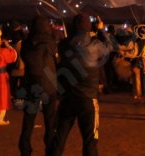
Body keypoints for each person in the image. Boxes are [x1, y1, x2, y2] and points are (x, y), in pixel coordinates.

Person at [49, 14, 117, 156]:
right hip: (88, 98)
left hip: (67, 98)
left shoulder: (64, 44)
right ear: (89, 26)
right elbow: (111, 47)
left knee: (59, 138)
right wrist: (101, 29)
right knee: (90, 141)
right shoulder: (95, 45)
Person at [18, 16, 59, 156]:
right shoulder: (51, 43)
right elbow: (58, 62)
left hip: (31, 84)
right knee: (50, 120)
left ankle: (25, 149)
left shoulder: (27, 44)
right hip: (49, 85)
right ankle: (50, 149)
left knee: (28, 120)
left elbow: (25, 59)